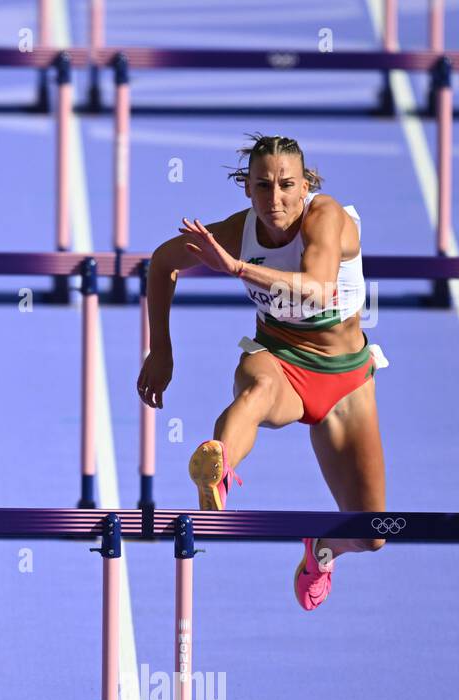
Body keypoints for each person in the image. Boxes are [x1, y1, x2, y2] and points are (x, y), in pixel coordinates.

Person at [136, 134, 387, 610]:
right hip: (279, 357)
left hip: (347, 379)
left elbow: (316, 287)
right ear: (246, 189)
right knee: (255, 393)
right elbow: (164, 260)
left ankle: (324, 548)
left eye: (287, 185)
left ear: (306, 184)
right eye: (263, 187)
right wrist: (161, 350)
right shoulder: (239, 230)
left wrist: (236, 269)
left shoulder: (326, 217)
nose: (276, 199)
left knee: (373, 532)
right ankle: (218, 468)